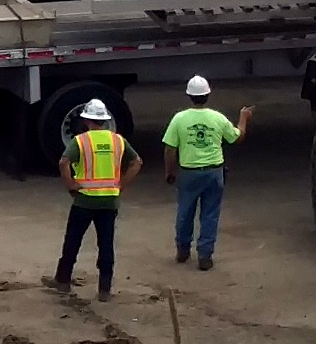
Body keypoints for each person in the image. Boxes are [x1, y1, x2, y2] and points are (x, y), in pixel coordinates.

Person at [48, 100, 141, 299]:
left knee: (73, 241)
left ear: (86, 120)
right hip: (109, 202)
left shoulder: (81, 141)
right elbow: (136, 162)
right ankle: (104, 289)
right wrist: (120, 185)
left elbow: (64, 162)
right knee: (106, 244)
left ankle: (63, 280)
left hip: (84, 200)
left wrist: (71, 185)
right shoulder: (118, 140)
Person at [162, 74, 252, 271]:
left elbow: (169, 149)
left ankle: (183, 250)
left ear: (189, 96)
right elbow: (237, 138)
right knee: (210, 214)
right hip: (214, 172)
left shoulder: (179, 119)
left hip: (188, 173)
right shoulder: (217, 118)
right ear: (208, 95)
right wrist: (243, 119)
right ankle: (205, 255)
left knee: (185, 212)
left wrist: (170, 172)